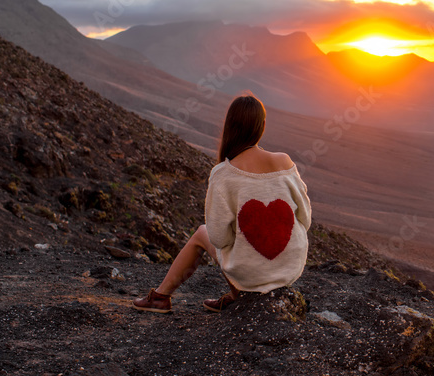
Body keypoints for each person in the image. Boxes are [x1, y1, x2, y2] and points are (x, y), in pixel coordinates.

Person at [132, 94, 311, 313]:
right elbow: (305, 218)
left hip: (251, 276)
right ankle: (236, 296)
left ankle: (160, 297)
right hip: (289, 270)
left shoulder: (223, 173)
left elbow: (218, 238)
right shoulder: (285, 161)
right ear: (262, 125)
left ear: (230, 126)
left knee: (202, 233)